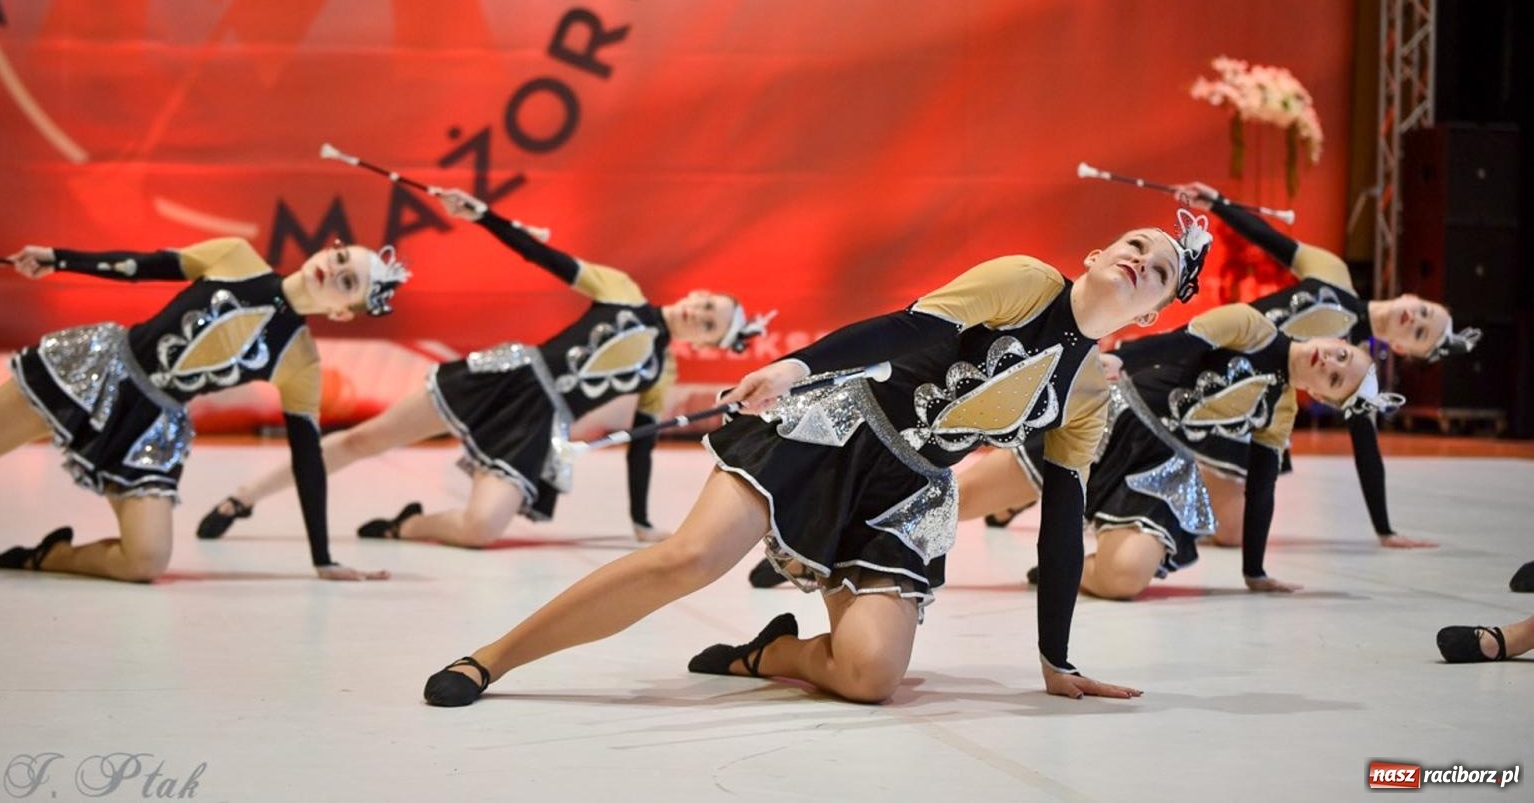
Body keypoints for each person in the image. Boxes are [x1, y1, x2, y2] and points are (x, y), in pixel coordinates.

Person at [419, 212, 1211, 708]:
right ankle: (491, 658)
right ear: (1098, 252)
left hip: (906, 492)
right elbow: (905, 330)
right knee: (689, 559)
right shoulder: (1026, 281)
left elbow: (1063, 522)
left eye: (1165, 268)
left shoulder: (1088, 397)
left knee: (872, 677)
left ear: (1158, 309)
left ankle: (768, 652)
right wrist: (800, 366)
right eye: (1136, 242)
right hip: (841, 425)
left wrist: (1055, 657)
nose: (1145, 257)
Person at [197, 191, 769, 548]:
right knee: (367, 438)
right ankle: (243, 497)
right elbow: (542, 257)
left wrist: (642, 522)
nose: (700, 315)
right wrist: (486, 217)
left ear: (710, 341)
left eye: (711, 324)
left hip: (535, 429)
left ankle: (406, 526)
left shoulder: (659, 372)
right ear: (697, 293)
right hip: (508, 379)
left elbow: (640, 449)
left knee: (480, 529)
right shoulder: (622, 292)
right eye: (708, 305)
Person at [0, 237, 406, 582]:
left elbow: (308, 459)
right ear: (329, 248)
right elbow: (144, 265)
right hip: (100, 371)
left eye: (348, 282)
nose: (333, 269)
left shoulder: (300, 361)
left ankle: (51, 557)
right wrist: (60, 258)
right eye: (342, 257)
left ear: (344, 311)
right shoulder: (237, 258)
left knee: (146, 561)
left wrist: (322, 558)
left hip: (150, 426)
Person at [960, 304, 1401, 598]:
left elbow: (1261, 490)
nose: (1333, 364)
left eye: (1338, 380)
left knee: (1125, 579)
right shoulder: (1253, 327)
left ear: (1324, 397)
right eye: (1343, 355)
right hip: (1114, 416)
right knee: (961, 501)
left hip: (1160, 466)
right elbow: (1182, 341)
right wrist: (1124, 357)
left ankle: (1063, 572)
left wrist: (1255, 571)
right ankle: (895, 537)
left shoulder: (1281, 411)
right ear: (1340, 341)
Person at [1174, 180, 1477, 548]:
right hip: (1206, 355)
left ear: (1399, 347)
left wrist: (1385, 530)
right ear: (1411, 297)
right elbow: (1272, 240)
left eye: (1420, 334)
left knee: (1233, 533)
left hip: (1238, 408)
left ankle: (1176, 472)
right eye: (1424, 314)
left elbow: (1366, 448)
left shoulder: (1353, 370)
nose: (1415, 321)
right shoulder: (1333, 273)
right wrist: (1218, 204)